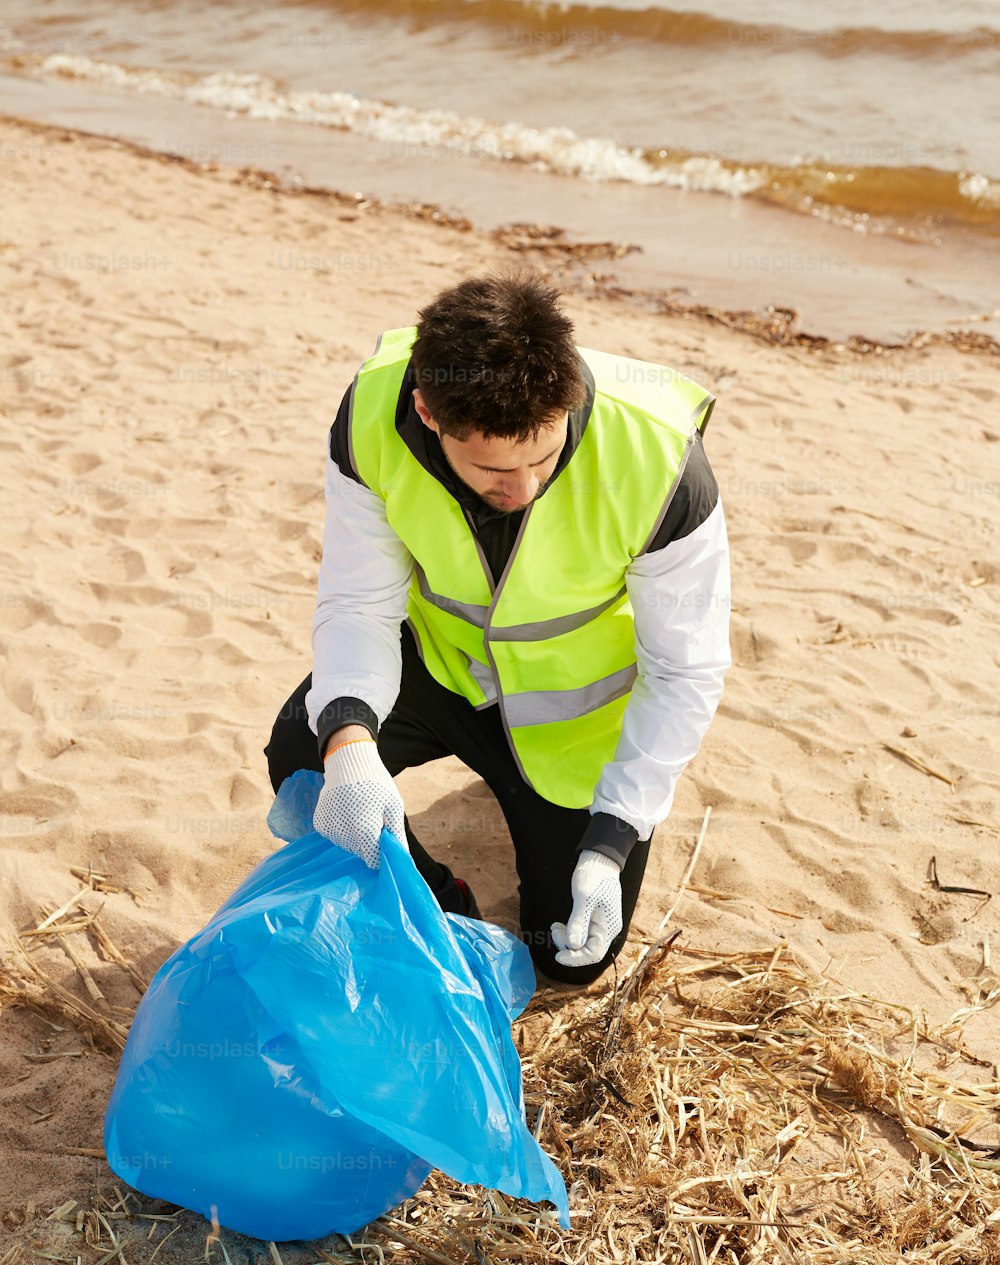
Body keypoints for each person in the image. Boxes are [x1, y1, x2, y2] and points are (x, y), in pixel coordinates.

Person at [265, 270, 730, 985]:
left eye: (542, 457)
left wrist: (612, 837)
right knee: (306, 752)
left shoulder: (660, 460)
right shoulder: (370, 416)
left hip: (574, 726)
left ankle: (547, 816)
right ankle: (435, 902)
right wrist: (353, 744)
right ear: (426, 411)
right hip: (444, 669)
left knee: (571, 958)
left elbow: (684, 670)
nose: (523, 489)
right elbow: (359, 605)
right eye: (491, 468)